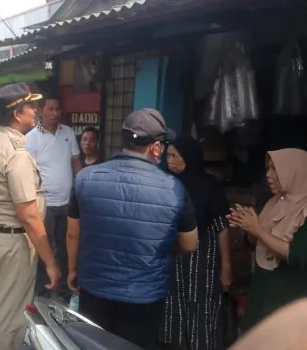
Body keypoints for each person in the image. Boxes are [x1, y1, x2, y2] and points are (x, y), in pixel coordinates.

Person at [66, 108, 199, 350]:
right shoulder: (174, 189)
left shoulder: (85, 178)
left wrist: (73, 270)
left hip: (95, 288)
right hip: (145, 296)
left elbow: (73, 232)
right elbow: (190, 244)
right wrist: (162, 250)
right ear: (156, 148)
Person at [0, 83, 61, 350]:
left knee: (4, 304)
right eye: (31, 106)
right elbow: (29, 217)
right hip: (13, 242)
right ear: (16, 113)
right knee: (11, 316)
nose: (35, 111)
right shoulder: (16, 154)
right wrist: (51, 262)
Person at [160, 137, 232, 350]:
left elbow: (222, 228)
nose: (169, 160)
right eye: (168, 155)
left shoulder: (208, 186)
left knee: (202, 311)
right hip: (174, 258)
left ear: (189, 158)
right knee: (173, 306)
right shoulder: (168, 184)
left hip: (202, 262)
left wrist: (226, 268)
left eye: (174, 155)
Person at [228, 148, 307, 332]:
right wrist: (247, 226)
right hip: (261, 299)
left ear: (294, 171)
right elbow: (255, 245)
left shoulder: (304, 211)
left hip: (286, 303)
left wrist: (258, 230)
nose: (269, 175)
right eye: (268, 168)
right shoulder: (273, 204)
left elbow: (296, 256)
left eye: (275, 169)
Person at [26, 94, 81, 300]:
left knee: (67, 248)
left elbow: (76, 164)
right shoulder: (31, 138)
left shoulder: (67, 133)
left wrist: (80, 190)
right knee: (44, 249)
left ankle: (66, 289)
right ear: (41, 110)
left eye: (58, 109)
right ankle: (44, 290)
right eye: (50, 109)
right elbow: (28, 173)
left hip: (67, 203)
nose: (55, 113)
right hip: (44, 204)